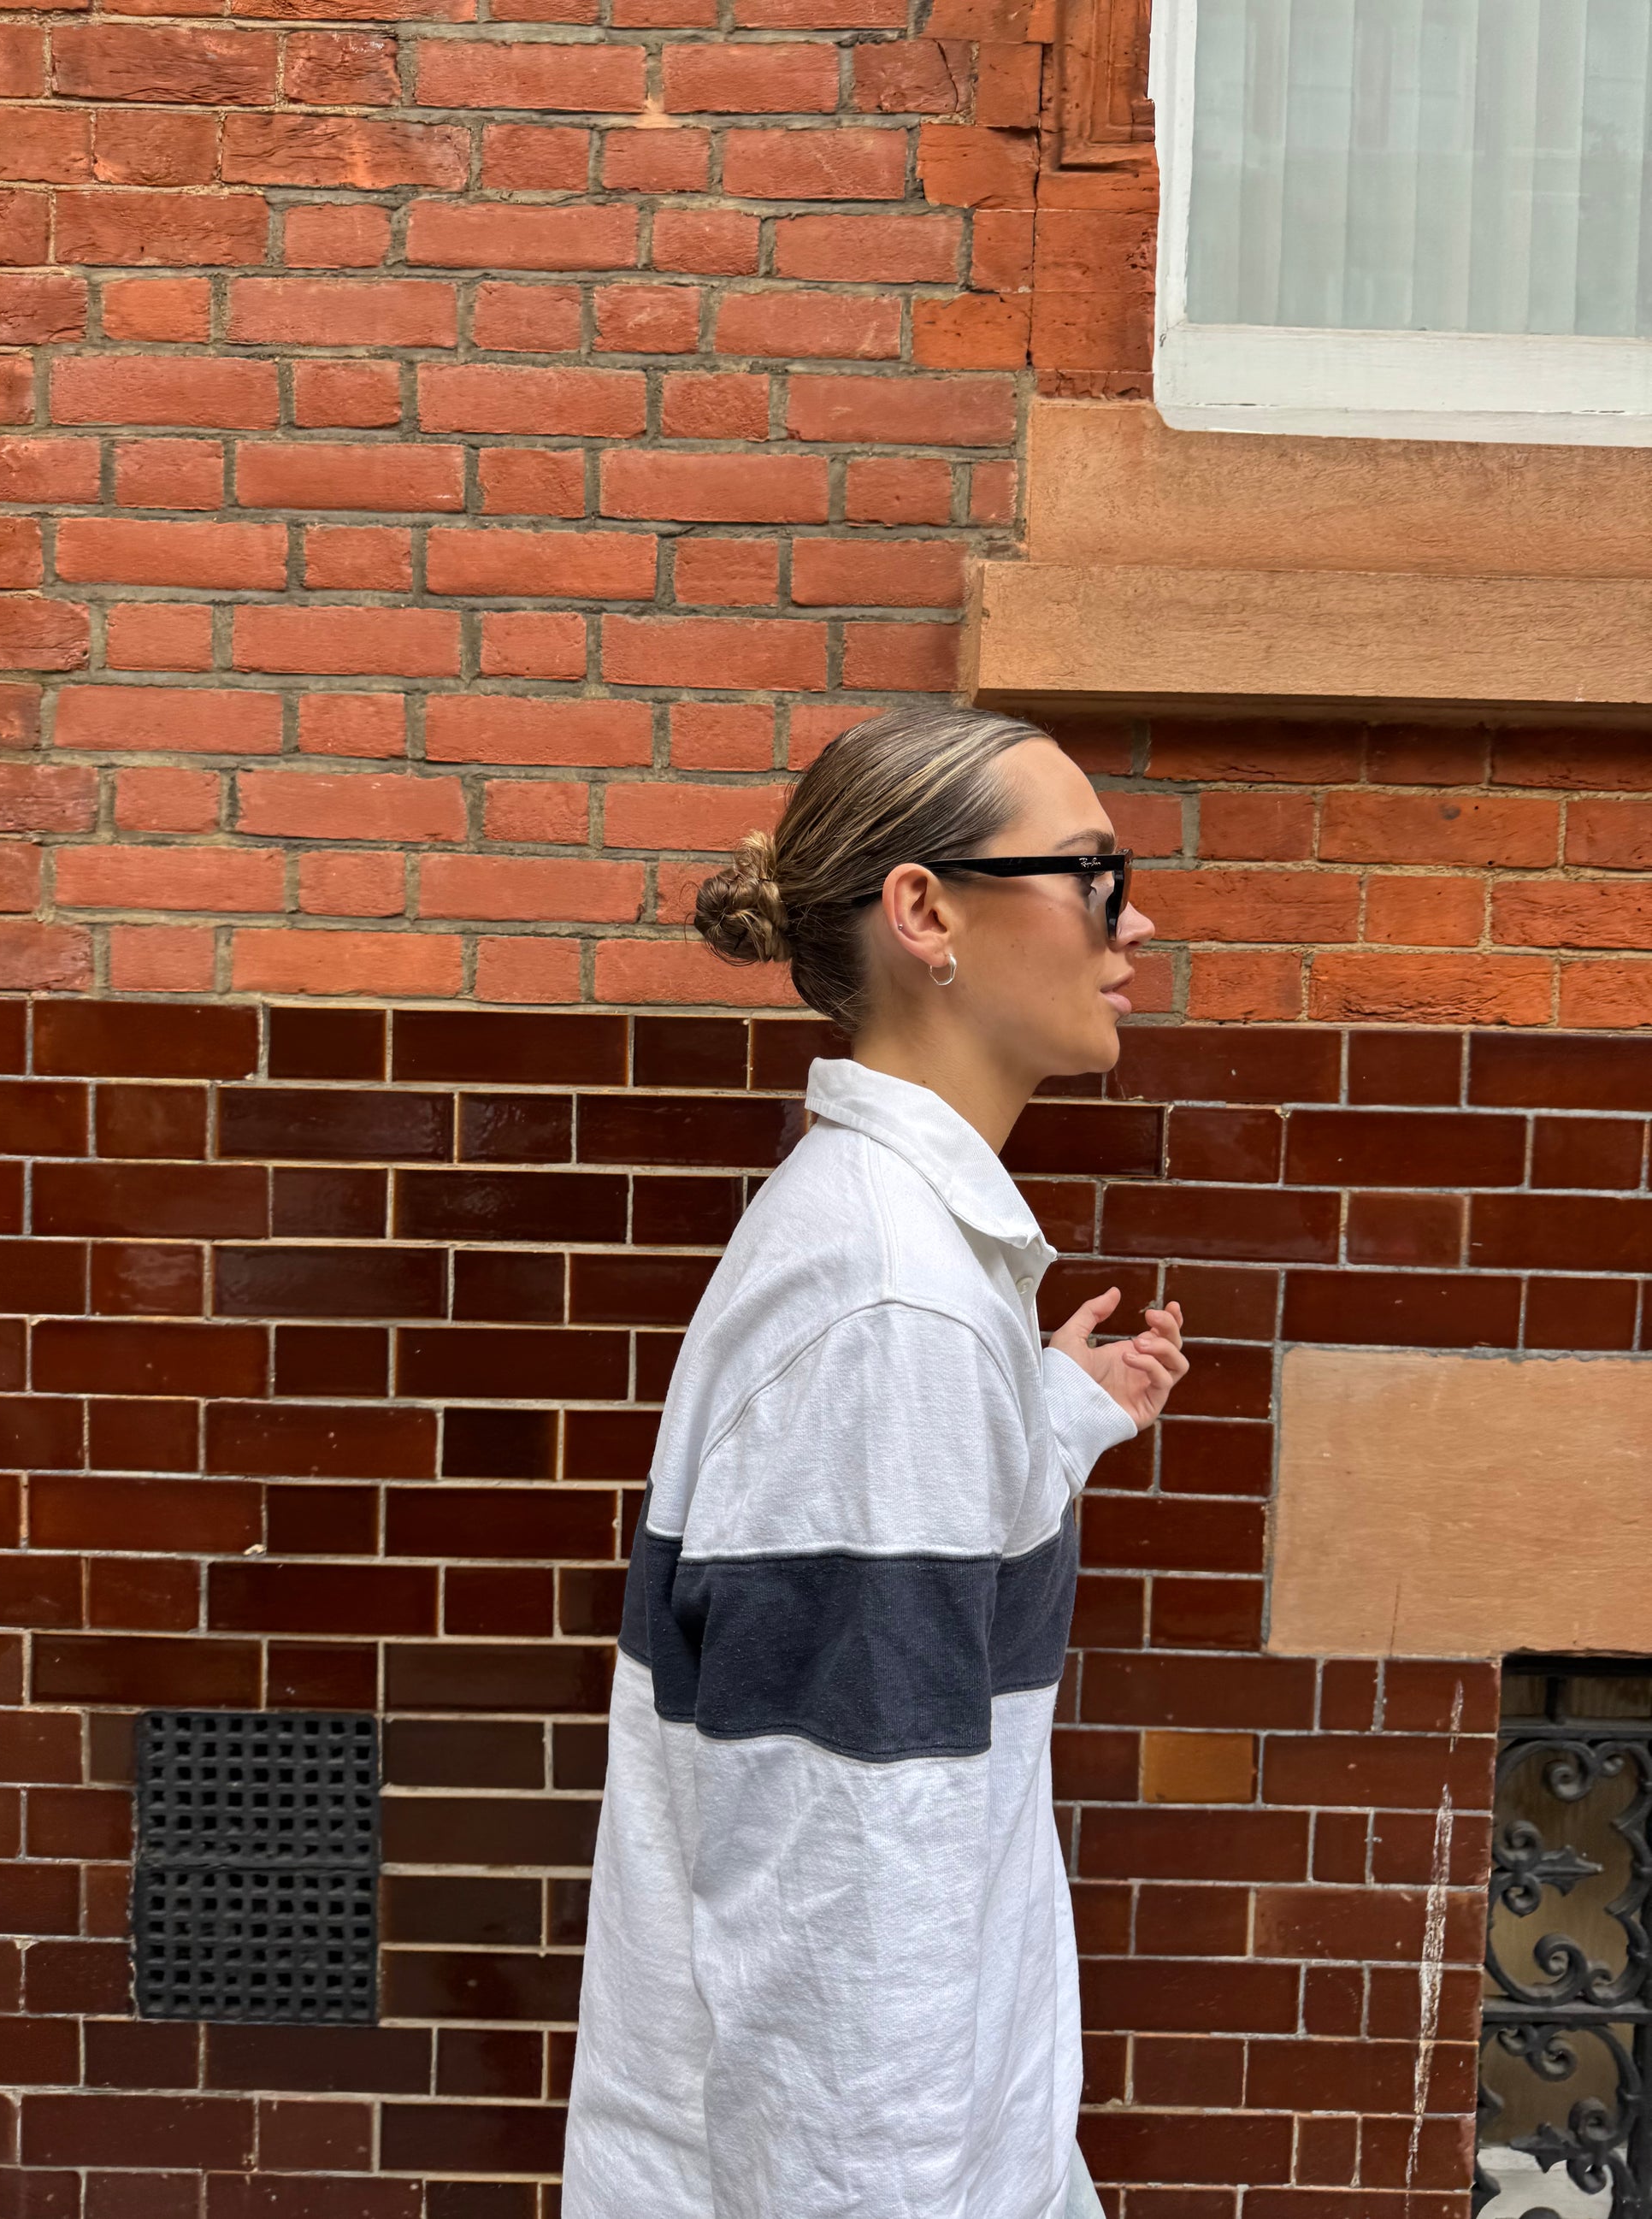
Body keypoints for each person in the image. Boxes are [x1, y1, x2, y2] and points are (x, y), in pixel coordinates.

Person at [561, 704, 1189, 2219]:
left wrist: (1045, 1415)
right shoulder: (892, 1305)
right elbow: (847, 1889)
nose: (1135, 921)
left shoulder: (893, 1265)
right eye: (1091, 873)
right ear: (926, 913)